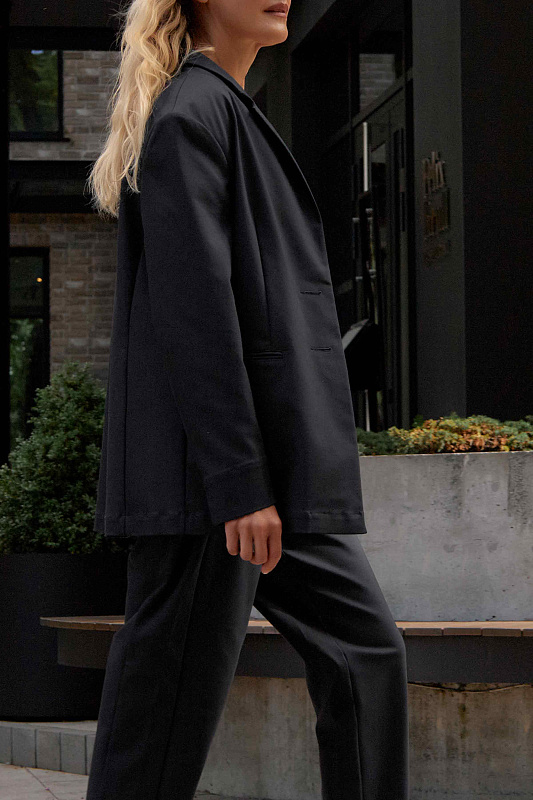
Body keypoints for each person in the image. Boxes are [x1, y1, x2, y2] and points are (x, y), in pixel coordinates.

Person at [86, 1, 409, 798]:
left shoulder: (222, 110)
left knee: (364, 654)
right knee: (162, 715)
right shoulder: (191, 116)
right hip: (217, 485)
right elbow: (193, 317)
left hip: (270, 468)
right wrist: (238, 484)